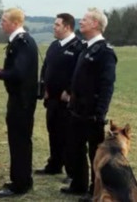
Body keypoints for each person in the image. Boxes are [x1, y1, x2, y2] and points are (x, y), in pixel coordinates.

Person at [60, 8, 118, 201]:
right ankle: (78, 184)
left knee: (95, 154)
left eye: (84, 19)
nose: (81, 22)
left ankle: (96, 191)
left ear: (95, 24)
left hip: (91, 113)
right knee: (74, 148)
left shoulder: (105, 52)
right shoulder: (85, 48)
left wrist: (100, 113)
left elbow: (107, 85)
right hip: (76, 109)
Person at [0, 8, 39, 198]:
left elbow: (19, 74)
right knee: (18, 141)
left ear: (15, 23)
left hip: (22, 101)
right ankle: (21, 179)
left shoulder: (22, 42)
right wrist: (2, 70)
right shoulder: (19, 41)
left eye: (4, 20)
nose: (1, 23)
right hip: (19, 99)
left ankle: (20, 184)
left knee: (20, 142)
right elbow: (16, 69)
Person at [35, 13, 81, 184]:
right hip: (51, 99)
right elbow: (46, 67)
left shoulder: (78, 47)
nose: (53, 27)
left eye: (57, 25)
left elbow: (79, 73)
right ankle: (54, 165)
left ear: (67, 27)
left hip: (67, 101)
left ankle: (72, 173)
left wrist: (69, 91)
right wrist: (44, 87)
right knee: (53, 132)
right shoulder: (54, 46)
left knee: (68, 136)